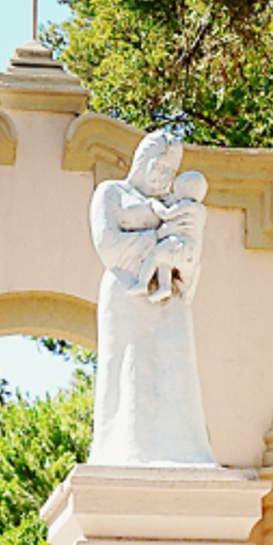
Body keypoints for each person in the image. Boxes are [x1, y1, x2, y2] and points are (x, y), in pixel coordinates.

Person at [87, 131, 218, 467]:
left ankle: (184, 452)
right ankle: (125, 450)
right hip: (125, 294)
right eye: (159, 167)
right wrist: (159, 240)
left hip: (170, 298)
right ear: (142, 161)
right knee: (129, 370)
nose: (164, 176)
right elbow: (109, 245)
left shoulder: (178, 203)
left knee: (176, 370)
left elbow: (191, 250)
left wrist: (181, 253)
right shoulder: (111, 193)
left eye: (170, 171)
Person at [131, 169, 209, 305]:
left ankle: (142, 283)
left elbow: (166, 214)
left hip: (179, 244)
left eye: (176, 190)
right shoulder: (202, 211)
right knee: (165, 260)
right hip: (192, 253)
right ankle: (164, 287)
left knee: (155, 256)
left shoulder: (187, 205)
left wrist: (153, 203)